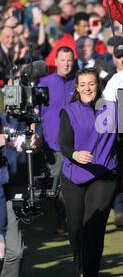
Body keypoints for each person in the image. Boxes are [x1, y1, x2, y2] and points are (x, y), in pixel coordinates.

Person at [59, 68, 119, 277]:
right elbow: (64, 144)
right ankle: (79, 265)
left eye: (91, 84)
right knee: (76, 227)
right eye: (82, 84)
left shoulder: (113, 110)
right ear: (76, 87)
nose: (87, 88)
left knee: (93, 226)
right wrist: (75, 155)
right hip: (74, 174)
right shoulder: (69, 111)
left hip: (104, 175)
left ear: (98, 86)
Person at [0, 119, 39, 277]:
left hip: (5, 193)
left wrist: (30, 141)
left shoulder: (2, 119)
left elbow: (16, 141)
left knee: (15, 250)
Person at [39, 46, 76, 234]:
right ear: (55, 61)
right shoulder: (44, 83)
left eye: (69, 60)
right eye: (63, 60)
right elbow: (35, 113)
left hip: (76, 143)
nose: (66, 63)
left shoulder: (80, 82)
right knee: (58, 184)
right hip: (52, 144)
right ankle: (62, 220)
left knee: (74, 183)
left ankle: (73, 220)